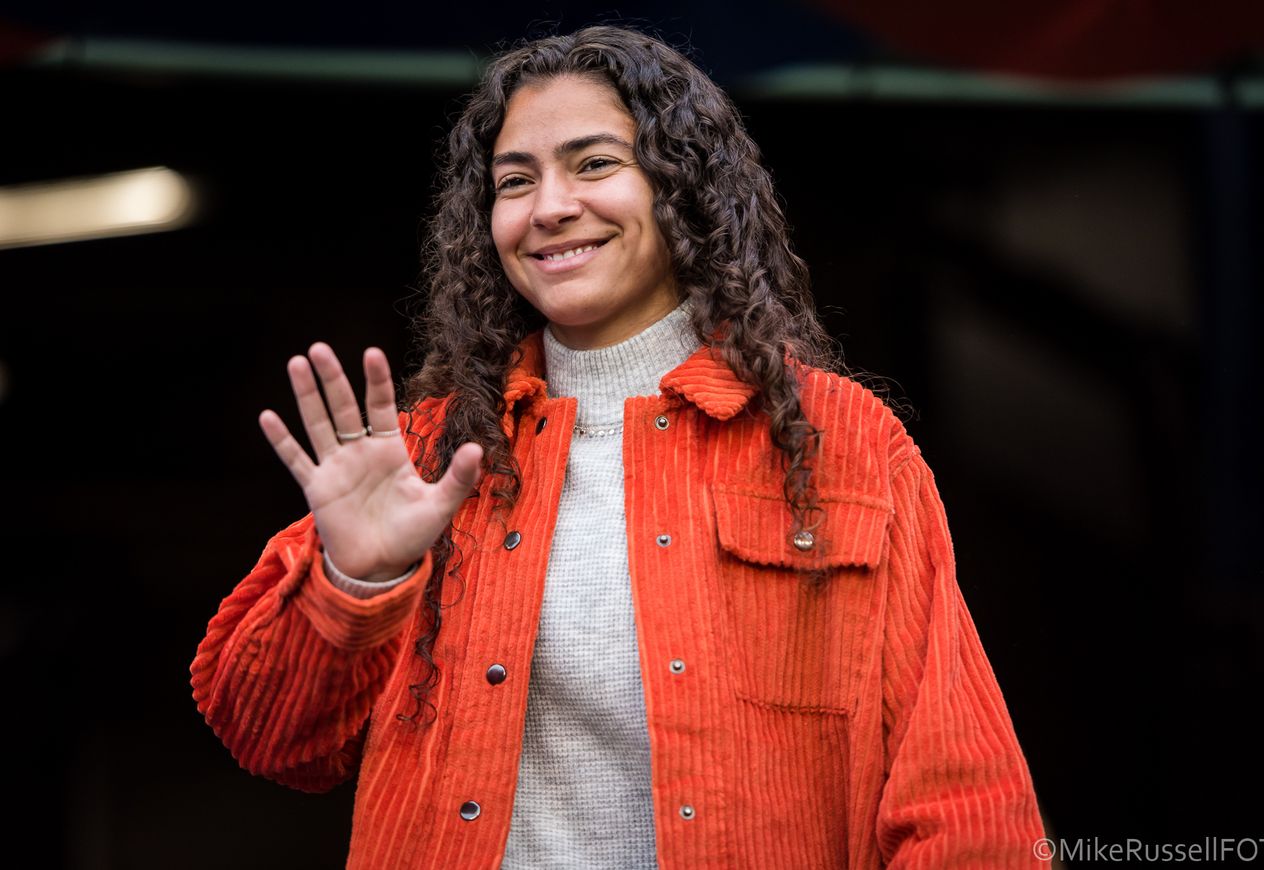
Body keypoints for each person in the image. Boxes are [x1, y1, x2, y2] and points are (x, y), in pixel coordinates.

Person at [190, 24, 1046, 869]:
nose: (550, 207)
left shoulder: (841, 443)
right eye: (515, 181)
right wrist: (357, 581)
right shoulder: (433, 451)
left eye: (595, 164)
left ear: (682, 186)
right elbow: (273, 740)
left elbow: (966, 807)